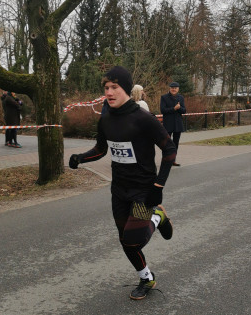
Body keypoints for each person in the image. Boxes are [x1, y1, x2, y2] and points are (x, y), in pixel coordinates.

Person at [68, 66, 176, 301]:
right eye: (106, 88)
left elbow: (169, 149)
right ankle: (147, 278)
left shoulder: (143, 119)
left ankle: (158, 216)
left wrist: (158, 187)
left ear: (126, 89)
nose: (109, 92)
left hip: (143, 191)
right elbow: (101, 149)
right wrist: (80, 158)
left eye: (114, 87)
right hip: (119, 190)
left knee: (132, 239)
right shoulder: (106, 119)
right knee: (125, 241)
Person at [160, 81, 186, 166]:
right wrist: (174, 108)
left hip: (177, 124)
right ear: (169, 89)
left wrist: (179, 108)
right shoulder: (164, 97)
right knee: (166, 143)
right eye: (172, 88)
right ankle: (165, 160)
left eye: (175, 88)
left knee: (175, 143)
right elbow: (163, 110)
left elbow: (184, 111)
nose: (173, 89)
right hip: (168, 124)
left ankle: (173, 160)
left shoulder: (181, 98)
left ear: (178, 89)